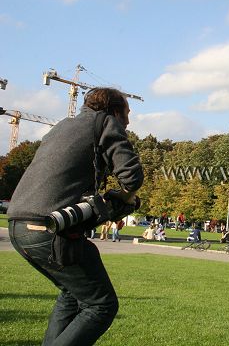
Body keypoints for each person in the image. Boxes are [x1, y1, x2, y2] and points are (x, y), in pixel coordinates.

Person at [7, 87, 143, 345]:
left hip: (19, 227)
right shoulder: (106, 123)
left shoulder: (61, 127)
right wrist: (125, 199)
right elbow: (132, 177)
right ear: (114, 110)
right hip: (49, 229)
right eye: (126, 113)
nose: (128, 121)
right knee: (101, 305)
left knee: (71, 294)